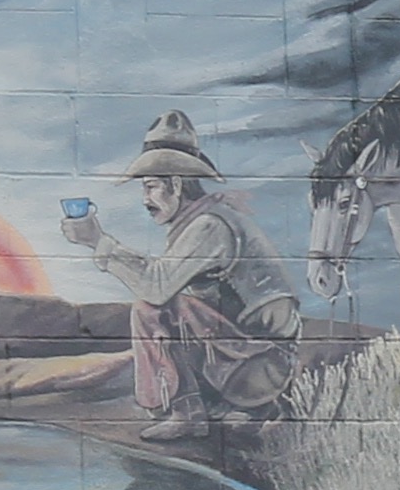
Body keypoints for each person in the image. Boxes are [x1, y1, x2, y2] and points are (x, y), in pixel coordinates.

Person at [73, 109, 302, 432]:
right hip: (251, 363)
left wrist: (99, 242)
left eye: (151, 187)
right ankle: (219, 408)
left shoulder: (208, 227)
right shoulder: (203, 221)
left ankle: (188, 413)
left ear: (177, 185)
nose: (145, 199)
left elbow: (156, 286)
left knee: (151, 308)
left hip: (258, 370)